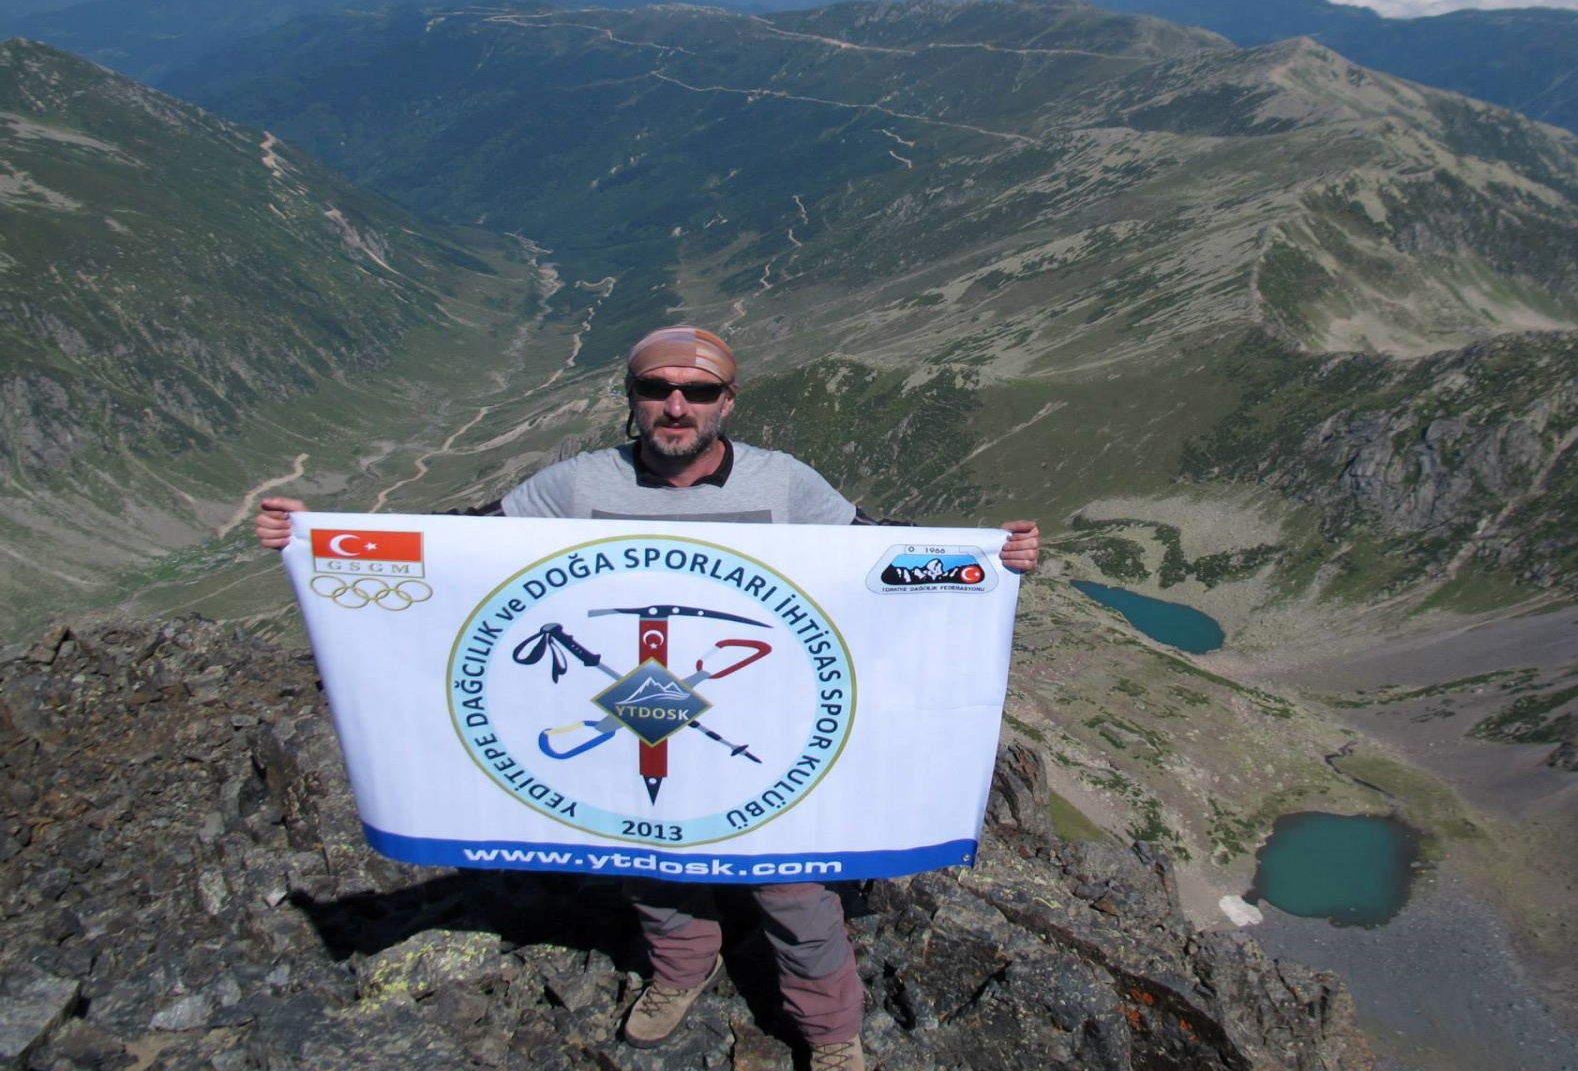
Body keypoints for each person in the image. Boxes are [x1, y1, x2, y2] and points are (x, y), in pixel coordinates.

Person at [256, 325, 1040, 1071]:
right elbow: (463, 544)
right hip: (634, 726)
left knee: (794, 890)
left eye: (697, 391)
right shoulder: (579, 483)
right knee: (649, 863)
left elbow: (880, 547)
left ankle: (831, 1031)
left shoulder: (783, 483)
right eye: (656, 388)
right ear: (631, 396)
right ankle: (682, 967)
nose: (675, 405)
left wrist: (990, 558)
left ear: (726, 401)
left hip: (761, 732)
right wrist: (319, 538)